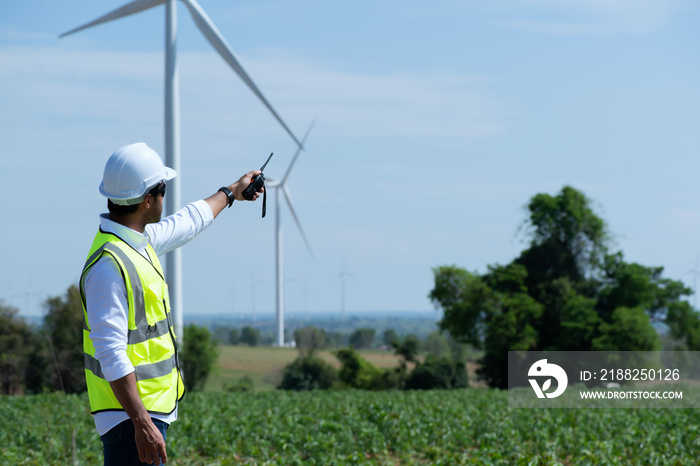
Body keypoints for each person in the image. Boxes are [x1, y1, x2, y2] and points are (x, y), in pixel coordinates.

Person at [79, 142, 263, 465]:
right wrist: (142, 423)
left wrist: (233, 191)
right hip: (130, 423)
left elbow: (187, 222)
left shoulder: (137, 242)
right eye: (162, 189)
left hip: (143, 417)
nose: (166, 196)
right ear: (148, 199)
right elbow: (110, 353)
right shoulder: (109, 266)